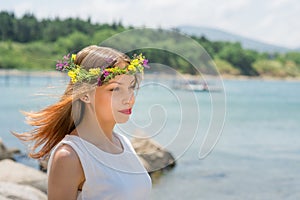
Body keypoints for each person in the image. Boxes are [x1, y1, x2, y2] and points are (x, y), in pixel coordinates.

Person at [14, 45, 152, 200]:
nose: (129, 99)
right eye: (115, 89)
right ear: (85, 94)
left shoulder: (123, 143)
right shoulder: (70, 157)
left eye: (131, 87)